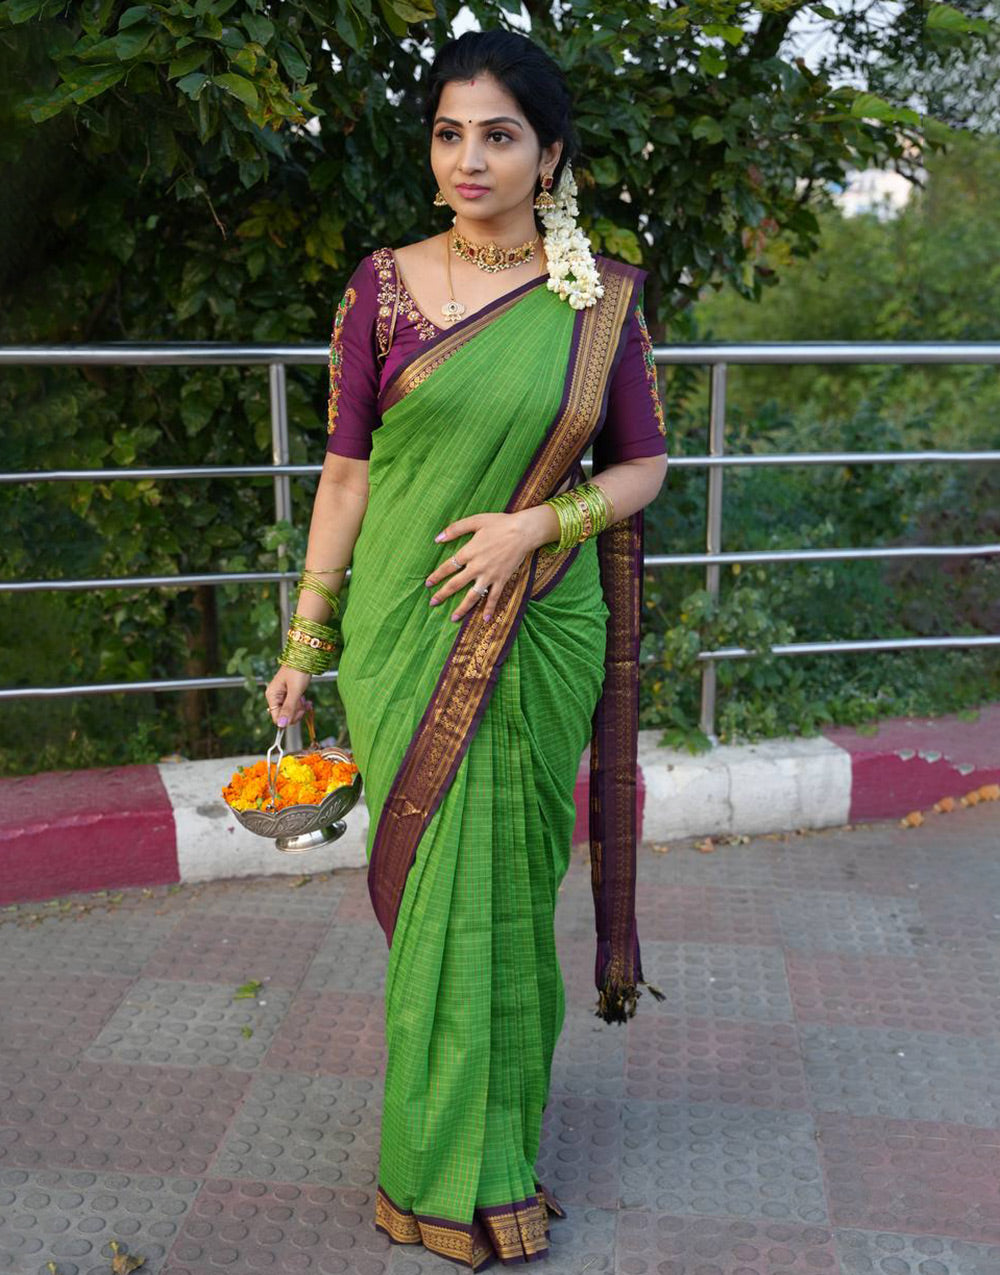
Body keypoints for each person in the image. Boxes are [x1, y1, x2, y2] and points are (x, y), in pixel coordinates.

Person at [264, 28, 668, 1270]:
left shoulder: (596, 301)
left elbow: (644, 467)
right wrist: (306, 636)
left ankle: (487, 1171)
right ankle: (442, 1171)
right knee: (442, 896)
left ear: (551, 157)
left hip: (538, 623)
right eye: (450, 133)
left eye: (499, 135)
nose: (470, 159)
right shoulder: (380, 286)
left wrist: (541, 523)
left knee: (497, 897)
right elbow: (344, 476)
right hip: (406, 625)